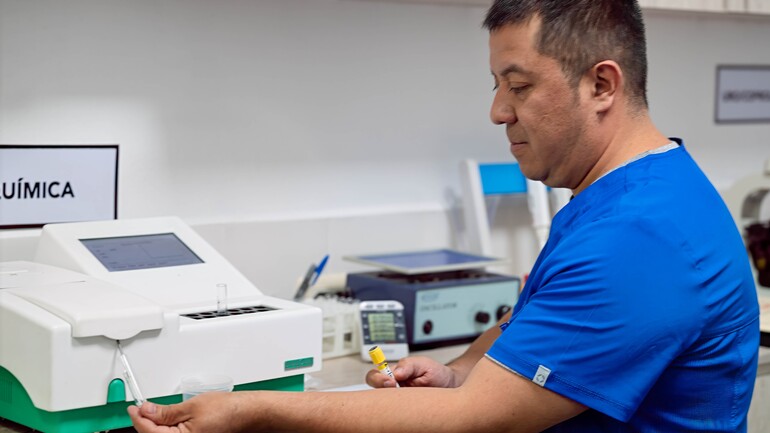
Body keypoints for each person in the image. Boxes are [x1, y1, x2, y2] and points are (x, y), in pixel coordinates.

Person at [129, 0, 760, 431]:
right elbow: (531, 324)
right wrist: (458, 372)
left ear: (601, 85)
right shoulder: (634, 192)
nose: (498, 112)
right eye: (496, 85)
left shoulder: (639, 236)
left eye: (519, 86)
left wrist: (254, 411)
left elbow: (475, 420)